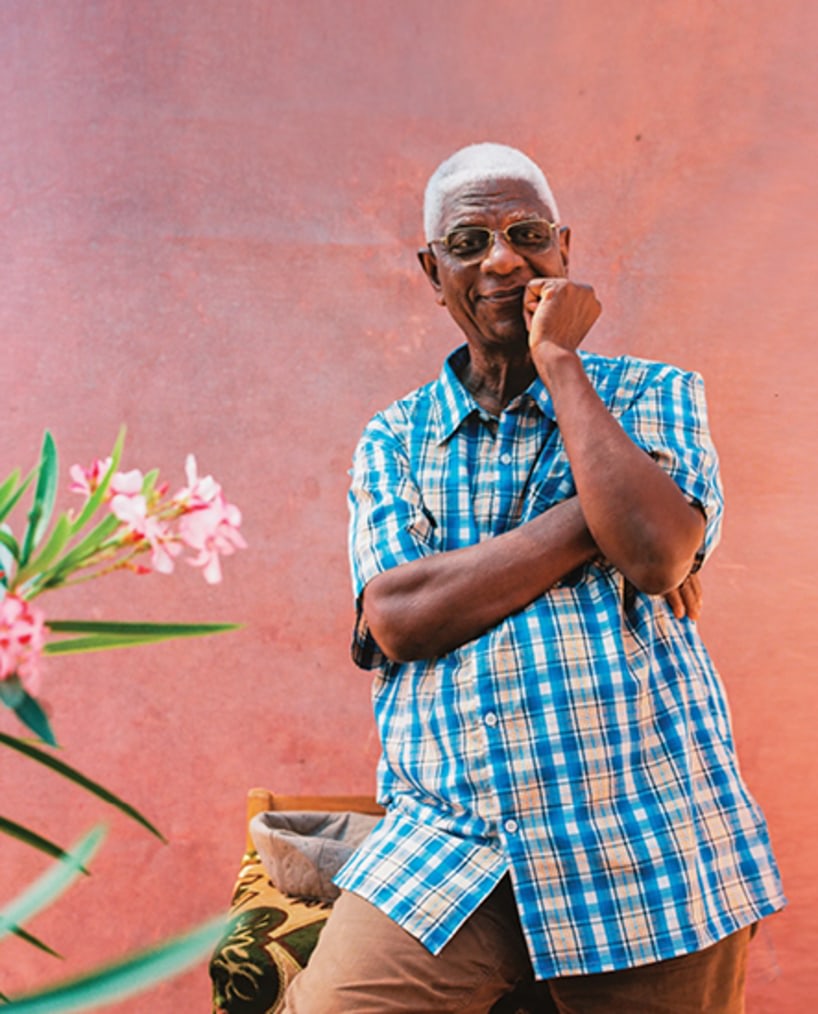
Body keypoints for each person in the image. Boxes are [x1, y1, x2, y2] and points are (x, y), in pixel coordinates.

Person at [282, 143, 785, 1013]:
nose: (502, 259)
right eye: (469, 241)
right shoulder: (394, 438)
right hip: (449, 844)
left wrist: (561, 364)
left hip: (649, 836)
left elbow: (660, 554)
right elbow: (400, 617)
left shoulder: (653, 393)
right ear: (431, 270)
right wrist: (595, 523)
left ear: (564, 249)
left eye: (525, 234)